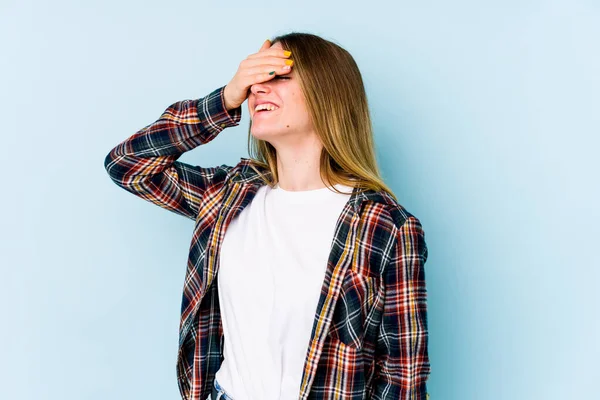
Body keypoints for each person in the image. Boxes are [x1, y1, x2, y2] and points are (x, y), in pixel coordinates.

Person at [104, 32, 430, 400]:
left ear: (328, 95)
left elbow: (403, 381)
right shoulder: (229, 195)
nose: (258, 89)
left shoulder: (385, 225)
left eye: (279, 76)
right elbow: (128, 164)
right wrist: (225, 98)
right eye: (256, 79)